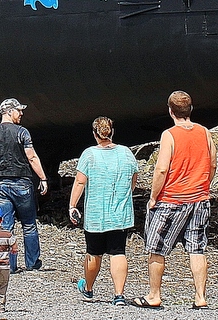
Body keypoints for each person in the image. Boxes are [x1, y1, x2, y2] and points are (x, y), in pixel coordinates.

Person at [135, 91, 216, 310]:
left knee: (157, 248)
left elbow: (162, 169)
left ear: (171, 111)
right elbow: (213, 164)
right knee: (196, 248)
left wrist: (153, 197)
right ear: (191, 110)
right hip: (200, 199)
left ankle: (154, 295)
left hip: (173, 199)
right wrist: (203, 184)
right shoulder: (204, 132)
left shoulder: (169, 135)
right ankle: (200, 297)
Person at [69, 116, 138, 307]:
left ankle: (89, 289)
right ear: (112, 132)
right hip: (120, 214)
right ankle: (119, 295)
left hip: (96, 215)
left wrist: (72, 205)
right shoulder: (126, 153)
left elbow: (80, 181)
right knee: (118, 252)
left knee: (93, 252)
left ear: (94, 134)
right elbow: (133, 179)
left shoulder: (89, 154)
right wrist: (126, 195)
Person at [0, 97, 48, 272]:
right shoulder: (22, 132)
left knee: (6, 225)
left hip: (1, 184)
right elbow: (32, 157)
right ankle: (32, 262)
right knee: (29, 224)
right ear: (9, 111)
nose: (21, 113)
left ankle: (10, 265)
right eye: (19, 110)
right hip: (22, 183)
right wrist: (42, 178)